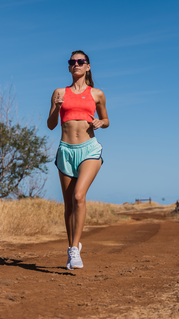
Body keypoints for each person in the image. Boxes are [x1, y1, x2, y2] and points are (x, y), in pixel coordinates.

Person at [47, 50, 109, 270]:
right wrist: (57, 105)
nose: (76, 64)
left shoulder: (97, 94)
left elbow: (106, 119)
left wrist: (101, 123)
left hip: (89, 149)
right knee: (69, 206)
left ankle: (74, 250)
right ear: (69, 67)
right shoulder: (59, 92)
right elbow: (51, 124)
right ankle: (72, 246)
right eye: (72, 62)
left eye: (80, 62)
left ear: (88, 66)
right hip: (66, 150)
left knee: (79, 196)